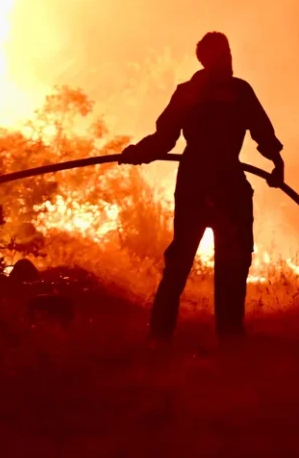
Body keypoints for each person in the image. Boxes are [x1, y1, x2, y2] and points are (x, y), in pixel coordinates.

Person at [119, 31, 285, 344]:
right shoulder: (221, 92)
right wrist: (138, 152)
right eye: (223, 55)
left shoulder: (214, 91)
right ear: (209, 60)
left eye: (229, 53)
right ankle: (177, 335)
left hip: (207, 184)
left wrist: (277, 163)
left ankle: (200, 335)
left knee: (217, 263)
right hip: (217, 185)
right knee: (198, 262)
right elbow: (165, 137)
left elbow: (164, 139)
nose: (230, 60)